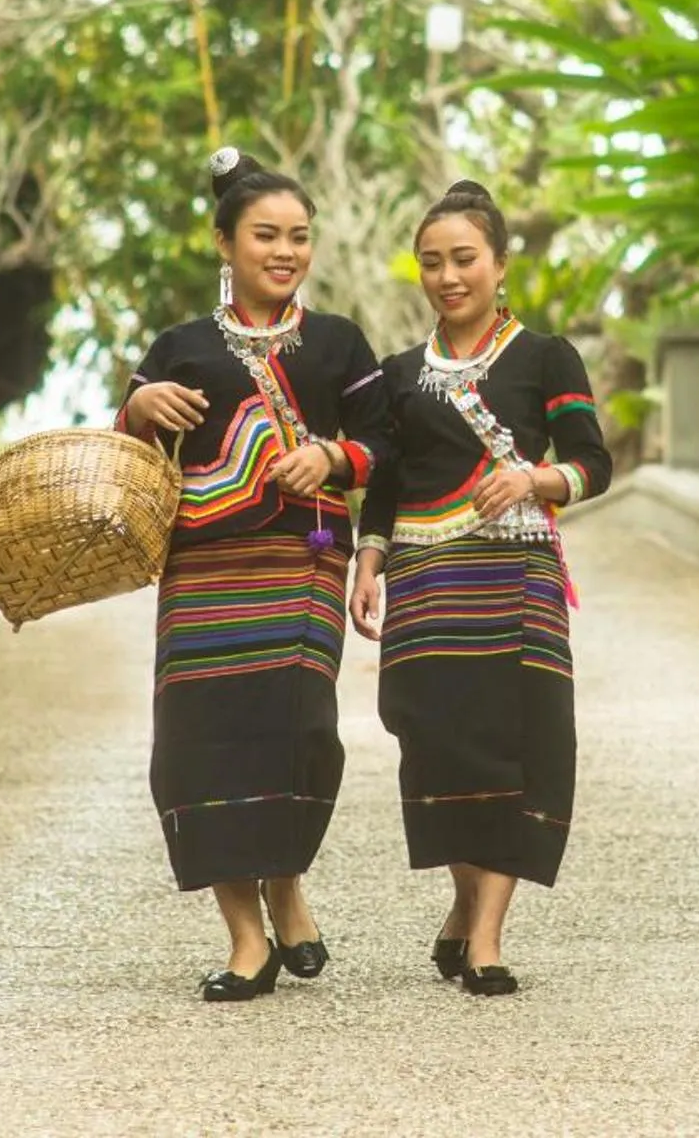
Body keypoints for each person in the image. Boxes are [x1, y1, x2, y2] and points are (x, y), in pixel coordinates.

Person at [117, 147, 391, 1001]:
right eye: (266, 235)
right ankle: (247, 937)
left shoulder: (340, 343)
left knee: (297, 729)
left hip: (300, 563)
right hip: (202, 572)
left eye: (299, 236)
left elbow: (388, 447)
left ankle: (288, 886)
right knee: (196, 746)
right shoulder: (179, 348)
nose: (285, 251)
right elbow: (125, 470)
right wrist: (136, 408)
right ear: (223, 244)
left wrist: (331, 455)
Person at [349, 180, 613, 996]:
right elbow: (386, 482)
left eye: (464, 258)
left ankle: (488, 938)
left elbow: (594, 462)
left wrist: (536, 477)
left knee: (518, 747)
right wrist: (368, 556)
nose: (447, 276)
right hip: (427, 584)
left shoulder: (545, 357)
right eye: (432, 262)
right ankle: (466, 905)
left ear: (500, 263)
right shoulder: (399, 374)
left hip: (516, 576)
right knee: (438, 748)